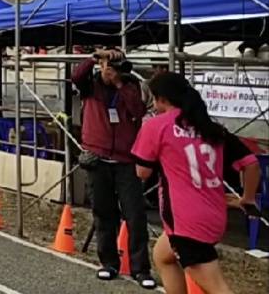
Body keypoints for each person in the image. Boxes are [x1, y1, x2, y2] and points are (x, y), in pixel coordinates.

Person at [132, 73, 261, 294]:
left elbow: (142, 172)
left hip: (185, 221)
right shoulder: (210, 127)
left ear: (162, 98)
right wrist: (247, 198)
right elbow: (252, 164)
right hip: (213, 215)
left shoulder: (157, 126)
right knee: (163, 256)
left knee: (217, 288)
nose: (153, 105)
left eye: (154, 99)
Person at [72, 48, 155, 289]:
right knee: (103, 213)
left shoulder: (131, 85)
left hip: (126, 160)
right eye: (107, 66)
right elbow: (76, 76)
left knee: (135, 215)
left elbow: (138, 110)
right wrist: (94, 58)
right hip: (98, 158)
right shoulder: (91, 86)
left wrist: (119, 83)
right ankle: (108, 263)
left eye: (115, 66)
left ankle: (141, 268)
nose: (110, 70)